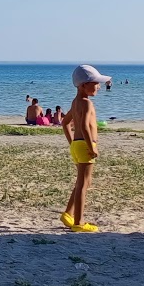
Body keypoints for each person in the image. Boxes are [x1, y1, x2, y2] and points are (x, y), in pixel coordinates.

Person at [60, 65, 109, 232]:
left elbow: (65, 123)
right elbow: (84, 126)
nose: (99, 87)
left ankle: (68, 213)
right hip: (85, 145)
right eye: (95, 83)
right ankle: (79, 223)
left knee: (83, 182)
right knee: (83, 184)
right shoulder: (87, 104)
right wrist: (91, 146)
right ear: (83, 85)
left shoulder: (75, 103)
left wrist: (72, 143)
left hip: (77, 144)